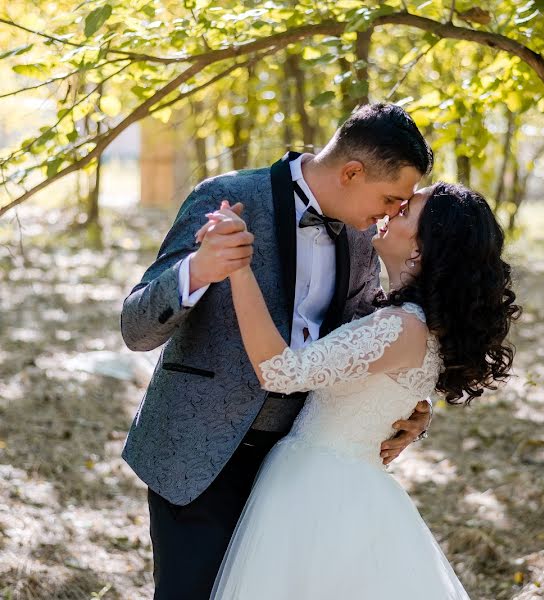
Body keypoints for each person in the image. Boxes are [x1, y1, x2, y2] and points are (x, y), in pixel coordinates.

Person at [120, 103, 435, 599]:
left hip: (297, 468)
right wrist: (197, 271)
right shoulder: (226, 196)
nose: (393, 213)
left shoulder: (360, 239)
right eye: (391, 197)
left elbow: (367, 343)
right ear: (352, 172)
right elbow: (136, 328)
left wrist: (413, 407)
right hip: (199, 453)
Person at [199, 182, 519, 599]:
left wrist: (239, 268)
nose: (391, 213)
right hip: (337, 480)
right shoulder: (415, 321)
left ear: (421, 249)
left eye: (405, 212)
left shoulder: (402, 326)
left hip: (322, 491)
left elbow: (280, 371)